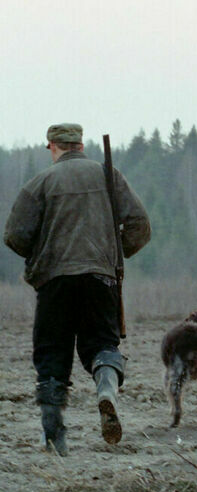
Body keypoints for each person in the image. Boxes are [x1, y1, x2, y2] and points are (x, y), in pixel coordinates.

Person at [3, 124, 151, 455]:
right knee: (102, 343)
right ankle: (107, 390)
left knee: (52, 353)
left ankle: (53, 435)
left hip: (55, 282)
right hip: (102, 277)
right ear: (81, 145)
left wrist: (40, 256)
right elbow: (140, 224)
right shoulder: (109, 175)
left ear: (52, 147)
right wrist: (116, 252)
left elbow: (14, 235)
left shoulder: (39, 183)